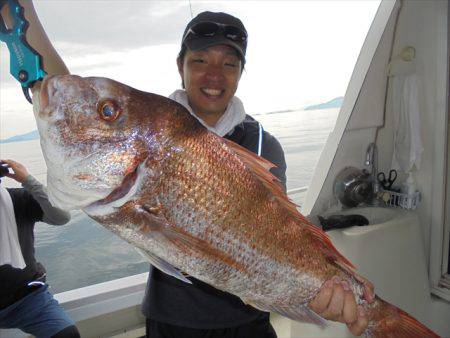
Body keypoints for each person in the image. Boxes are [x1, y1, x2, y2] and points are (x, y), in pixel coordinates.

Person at [11, 2, 374, 337]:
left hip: (250, 323)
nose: (214, 75)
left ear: (240, 73)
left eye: (229, 64)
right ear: (180, 66)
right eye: (200, 60)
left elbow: (283, 236)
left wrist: (329, 290)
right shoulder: (152, 124)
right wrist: (22, 10)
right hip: (173, 322)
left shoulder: (265, 145)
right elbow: (61, 89)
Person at [0, 159, 80, 338]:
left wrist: (28, 180)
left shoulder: (17, 199)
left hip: (28, 299)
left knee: (67, 334)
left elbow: (61, 217)